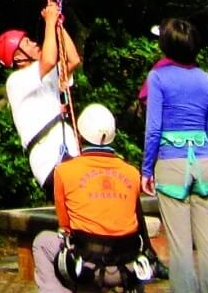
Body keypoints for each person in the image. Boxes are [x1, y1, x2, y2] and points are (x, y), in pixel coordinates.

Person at [140, 17, 208, 293]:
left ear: (165, 46)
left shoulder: (157, 78)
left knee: (180, 247)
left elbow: (153, 129)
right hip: (205, 161)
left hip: (172, 162)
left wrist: (146, 169)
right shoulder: (207, 81)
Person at [31, 103, 151, 292]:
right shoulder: (132, 173)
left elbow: (65, 226)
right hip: (127, 266)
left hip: (86, 265)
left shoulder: (63, 171)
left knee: (42, 242)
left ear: (79, 136)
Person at [0, 0, 84, 195]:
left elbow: (73, 60)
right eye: (27, 43)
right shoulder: (16, 82)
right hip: (49, 160)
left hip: (68, 153)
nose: (34, 43)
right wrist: (50, 22)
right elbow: (50, 60)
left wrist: (59, 26)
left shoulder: (46, 75)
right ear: (18, 57)